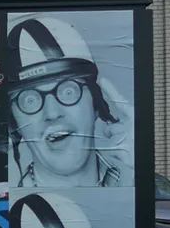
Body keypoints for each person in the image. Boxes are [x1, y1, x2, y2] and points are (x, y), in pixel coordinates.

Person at [7, 15, 131, 188]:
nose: (52, 113)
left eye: (68, 91)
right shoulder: (5, 201)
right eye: (29, 99)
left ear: (95, 104)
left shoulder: (131, 179)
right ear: (14, 123)